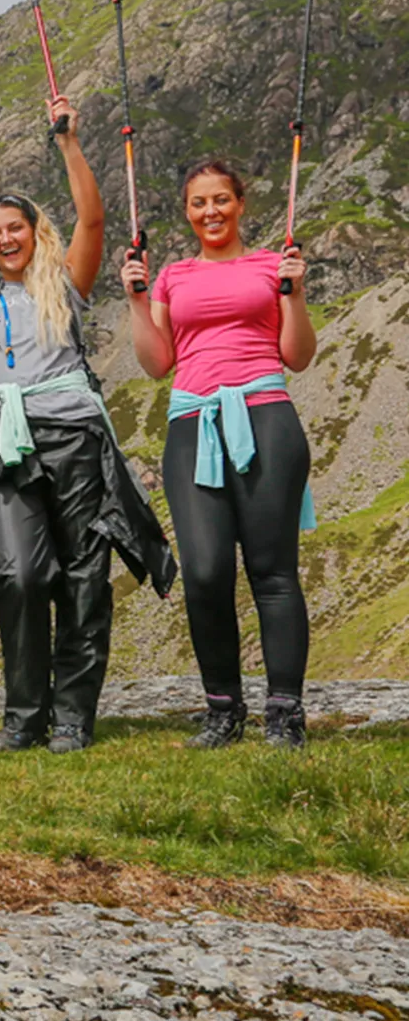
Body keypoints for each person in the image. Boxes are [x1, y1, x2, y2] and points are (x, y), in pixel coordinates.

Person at [0, 98, 175, 754]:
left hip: (77, 438)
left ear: (32, 230)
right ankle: (25, 712)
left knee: (85, 575)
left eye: (13, 227)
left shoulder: (66, 284)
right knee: (19, 573)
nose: (3, 239)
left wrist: (70, 143)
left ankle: (73, 716)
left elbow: (93, 217)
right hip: (4, 442)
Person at [122, 160, 317, 749]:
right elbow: (157, 363)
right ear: (186, 211)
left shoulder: (271, 266)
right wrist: (135, 300)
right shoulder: (172, 277)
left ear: (240, 203)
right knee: (205, 573)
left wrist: (297, 293)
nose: (211, 212)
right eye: (199, 202)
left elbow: (298, 354)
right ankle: (222, 710)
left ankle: (284, 713)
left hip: (265, 414)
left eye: (221, 200)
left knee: (272, 572)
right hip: (192, 421)